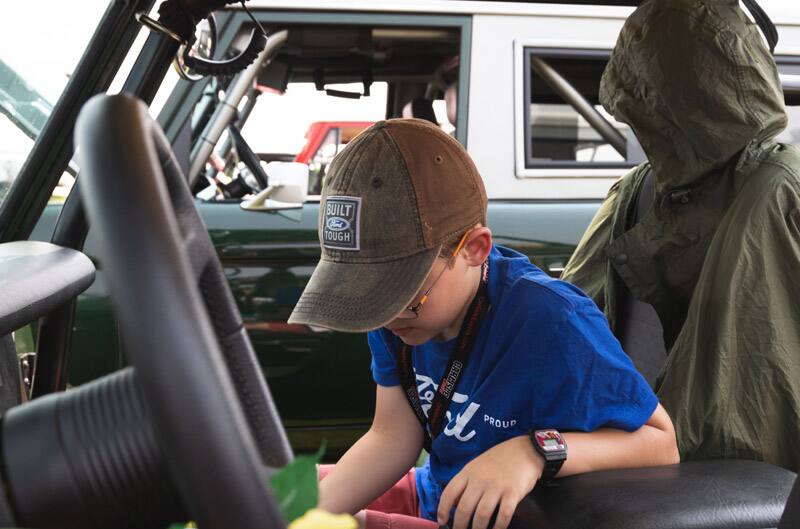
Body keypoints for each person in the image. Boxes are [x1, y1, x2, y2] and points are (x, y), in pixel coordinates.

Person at [288, 118, 679, 529]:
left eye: (402, 296)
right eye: (369, 299)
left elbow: (660, 442)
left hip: (509, 516)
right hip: (438, 495)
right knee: (269, 495)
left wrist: (533, 452)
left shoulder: (552, 322)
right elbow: (391, 437)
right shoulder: (394, 317)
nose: (385, 317)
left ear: (474, 249)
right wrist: (309, 515)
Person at [561, 0, 800, 470]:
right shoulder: (784, 186)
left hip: (624, 454)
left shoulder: (636, 190)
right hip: (750, 474)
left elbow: (564, 312)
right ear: (751, 65)